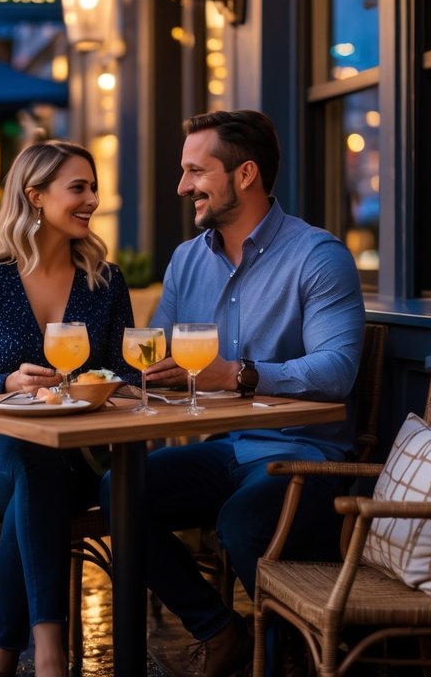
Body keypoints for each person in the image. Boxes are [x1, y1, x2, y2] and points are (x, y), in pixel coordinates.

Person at [101, 110, 365, 677]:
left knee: (244, 523)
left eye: (197, 171)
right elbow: (160, 356)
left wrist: (240, 374)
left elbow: (338, 369)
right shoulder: (187, 259)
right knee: (119, 492)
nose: (182, 186)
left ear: (245, 175)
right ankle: (221, 630)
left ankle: (285, 659)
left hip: (304, 458)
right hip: (229, 447)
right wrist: (134, 378)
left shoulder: (318, 257)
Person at [0, 140, 137, 677]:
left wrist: (122, 379)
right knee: (30, 463)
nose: (92, 198)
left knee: (40, 471)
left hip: (70, 455)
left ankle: (2, 657)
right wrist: (9, 379)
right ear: (36, 196)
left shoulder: (105, 279)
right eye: (79, 187)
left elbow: (123, 370)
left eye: (94, 187)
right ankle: (50, 650)